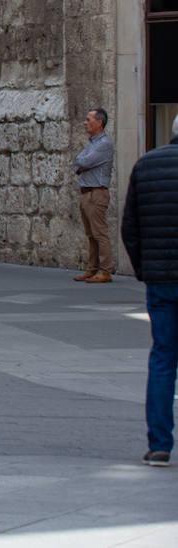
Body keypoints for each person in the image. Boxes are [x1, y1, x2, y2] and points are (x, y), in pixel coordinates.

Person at [121, 113, 178, 467]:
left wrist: (146, 269)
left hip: (161, 281)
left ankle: (159, 444)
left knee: (162, 358)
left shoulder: (146, 165)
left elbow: (130, 227)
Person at [74, 107, 116, 283]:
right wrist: (81, 163)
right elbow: (78, 162)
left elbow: (84, 161)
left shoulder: (103, 144)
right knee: (91, 234)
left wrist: (81, 162)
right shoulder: (91, 143)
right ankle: (92, 268)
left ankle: (104, 270)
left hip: (96, 192)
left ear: (99, 123)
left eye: (89, 119)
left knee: (100, 233)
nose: (85, 123)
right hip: (86, 192)